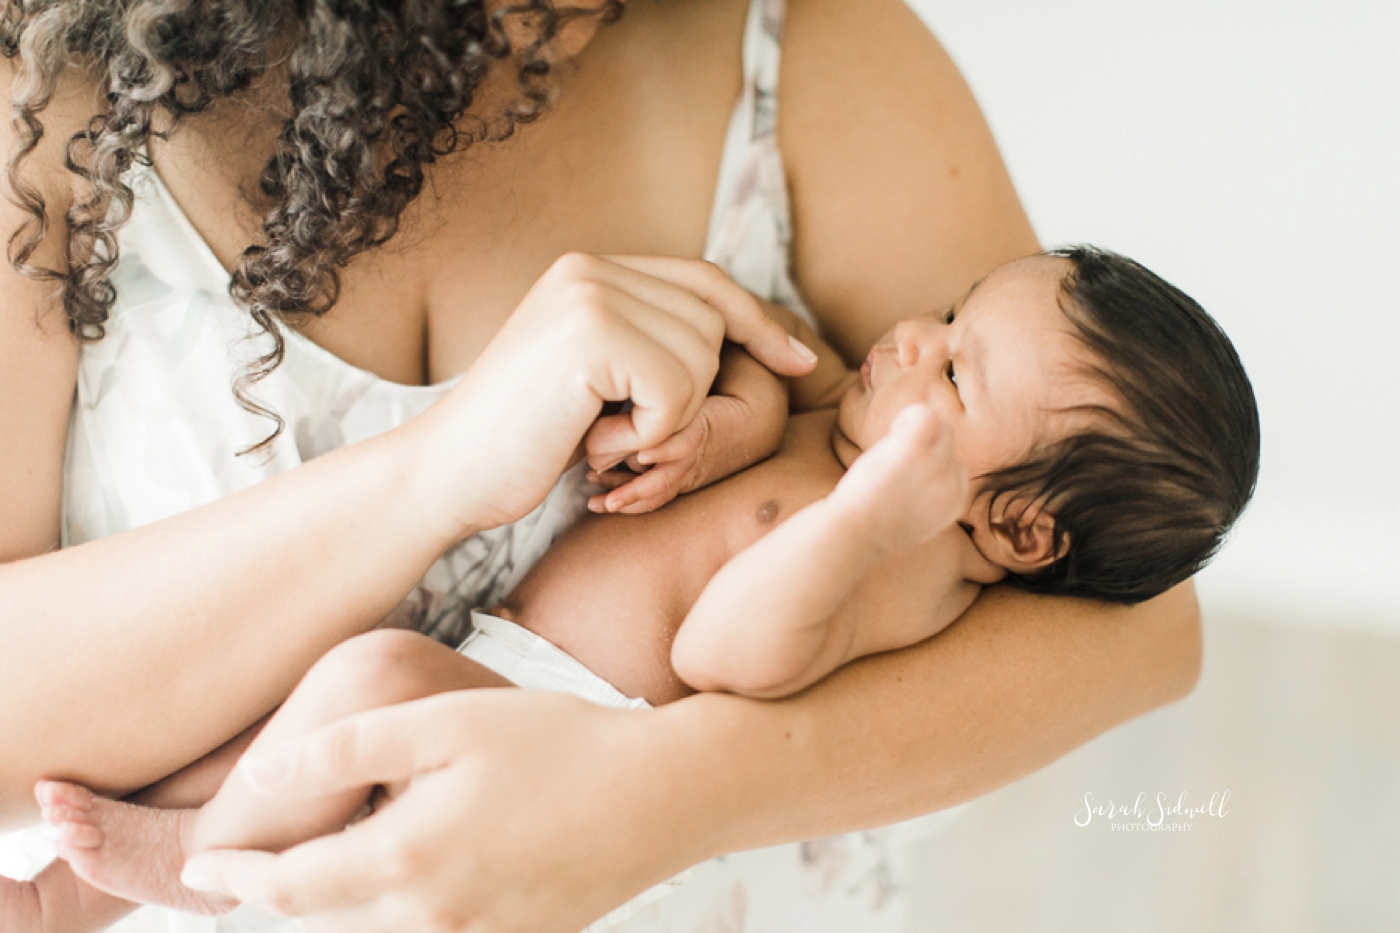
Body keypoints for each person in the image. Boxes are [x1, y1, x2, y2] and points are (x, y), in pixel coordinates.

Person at [0, 1, 1207, 931]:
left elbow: (1137, 627)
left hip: (654, 822)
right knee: (315, 730)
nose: (913, 345)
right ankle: (151, 870)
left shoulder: (811, 48)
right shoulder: (48, 110)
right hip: (442, 702)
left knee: (341, 722)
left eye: (950, 365)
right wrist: (436, 472)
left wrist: (665, 796)